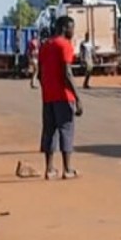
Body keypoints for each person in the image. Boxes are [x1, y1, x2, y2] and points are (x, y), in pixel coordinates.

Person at [37, 16, 85, 179]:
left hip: (48, 97)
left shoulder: (45, 46)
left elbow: (40, 74)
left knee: (49, 131)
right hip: (64, 97)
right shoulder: (64, 45)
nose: (73, 31)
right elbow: (67, 72)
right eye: (72, 28)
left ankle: (49, 169)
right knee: (66, 130)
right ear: (65, 28)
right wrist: (77, 97)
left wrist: (47, 89)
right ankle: (67, 169)